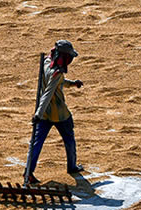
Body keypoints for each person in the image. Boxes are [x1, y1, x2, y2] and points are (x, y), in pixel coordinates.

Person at [23, 39, 84, 186]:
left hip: (44, 115)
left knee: (36, 144)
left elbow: (56, 82)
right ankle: (72, 166)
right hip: (58, 114)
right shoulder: (57, 72)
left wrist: (72, 83)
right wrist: (38, 114)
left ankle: (28, 172)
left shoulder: (46, 62)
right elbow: (48, 93)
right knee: (69, 140)